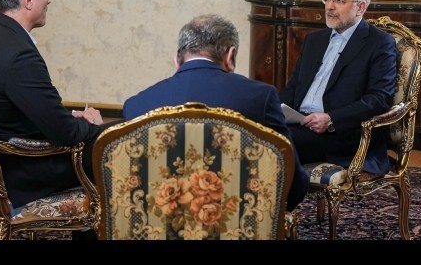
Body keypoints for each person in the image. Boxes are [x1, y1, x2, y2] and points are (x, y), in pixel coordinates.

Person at [0, 0, 105, 214]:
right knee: (112, 141)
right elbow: (66, 135)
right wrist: (91, 124)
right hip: (18, 172)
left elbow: (13, 104)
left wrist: (66, 117)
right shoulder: (20, 55)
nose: (49, 0)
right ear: (28, 0)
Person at [123, 14, 309, 209]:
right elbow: (291, 180)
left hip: (159, 222)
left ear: (177, 59)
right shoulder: (261, 97)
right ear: (230, 55)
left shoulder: (136, 106)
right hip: (240, 221)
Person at [279, 0, 397, 174]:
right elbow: (293, 88)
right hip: (300, 123)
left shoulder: (379, 43)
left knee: (276, 141)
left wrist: (331, 119)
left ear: (360, 8)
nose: (329, 6)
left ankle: (279, 201)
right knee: (252, 129)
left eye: (339, 0)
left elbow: (379, 99)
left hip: (341, 134)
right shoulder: (314, 40)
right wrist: (274, 109)